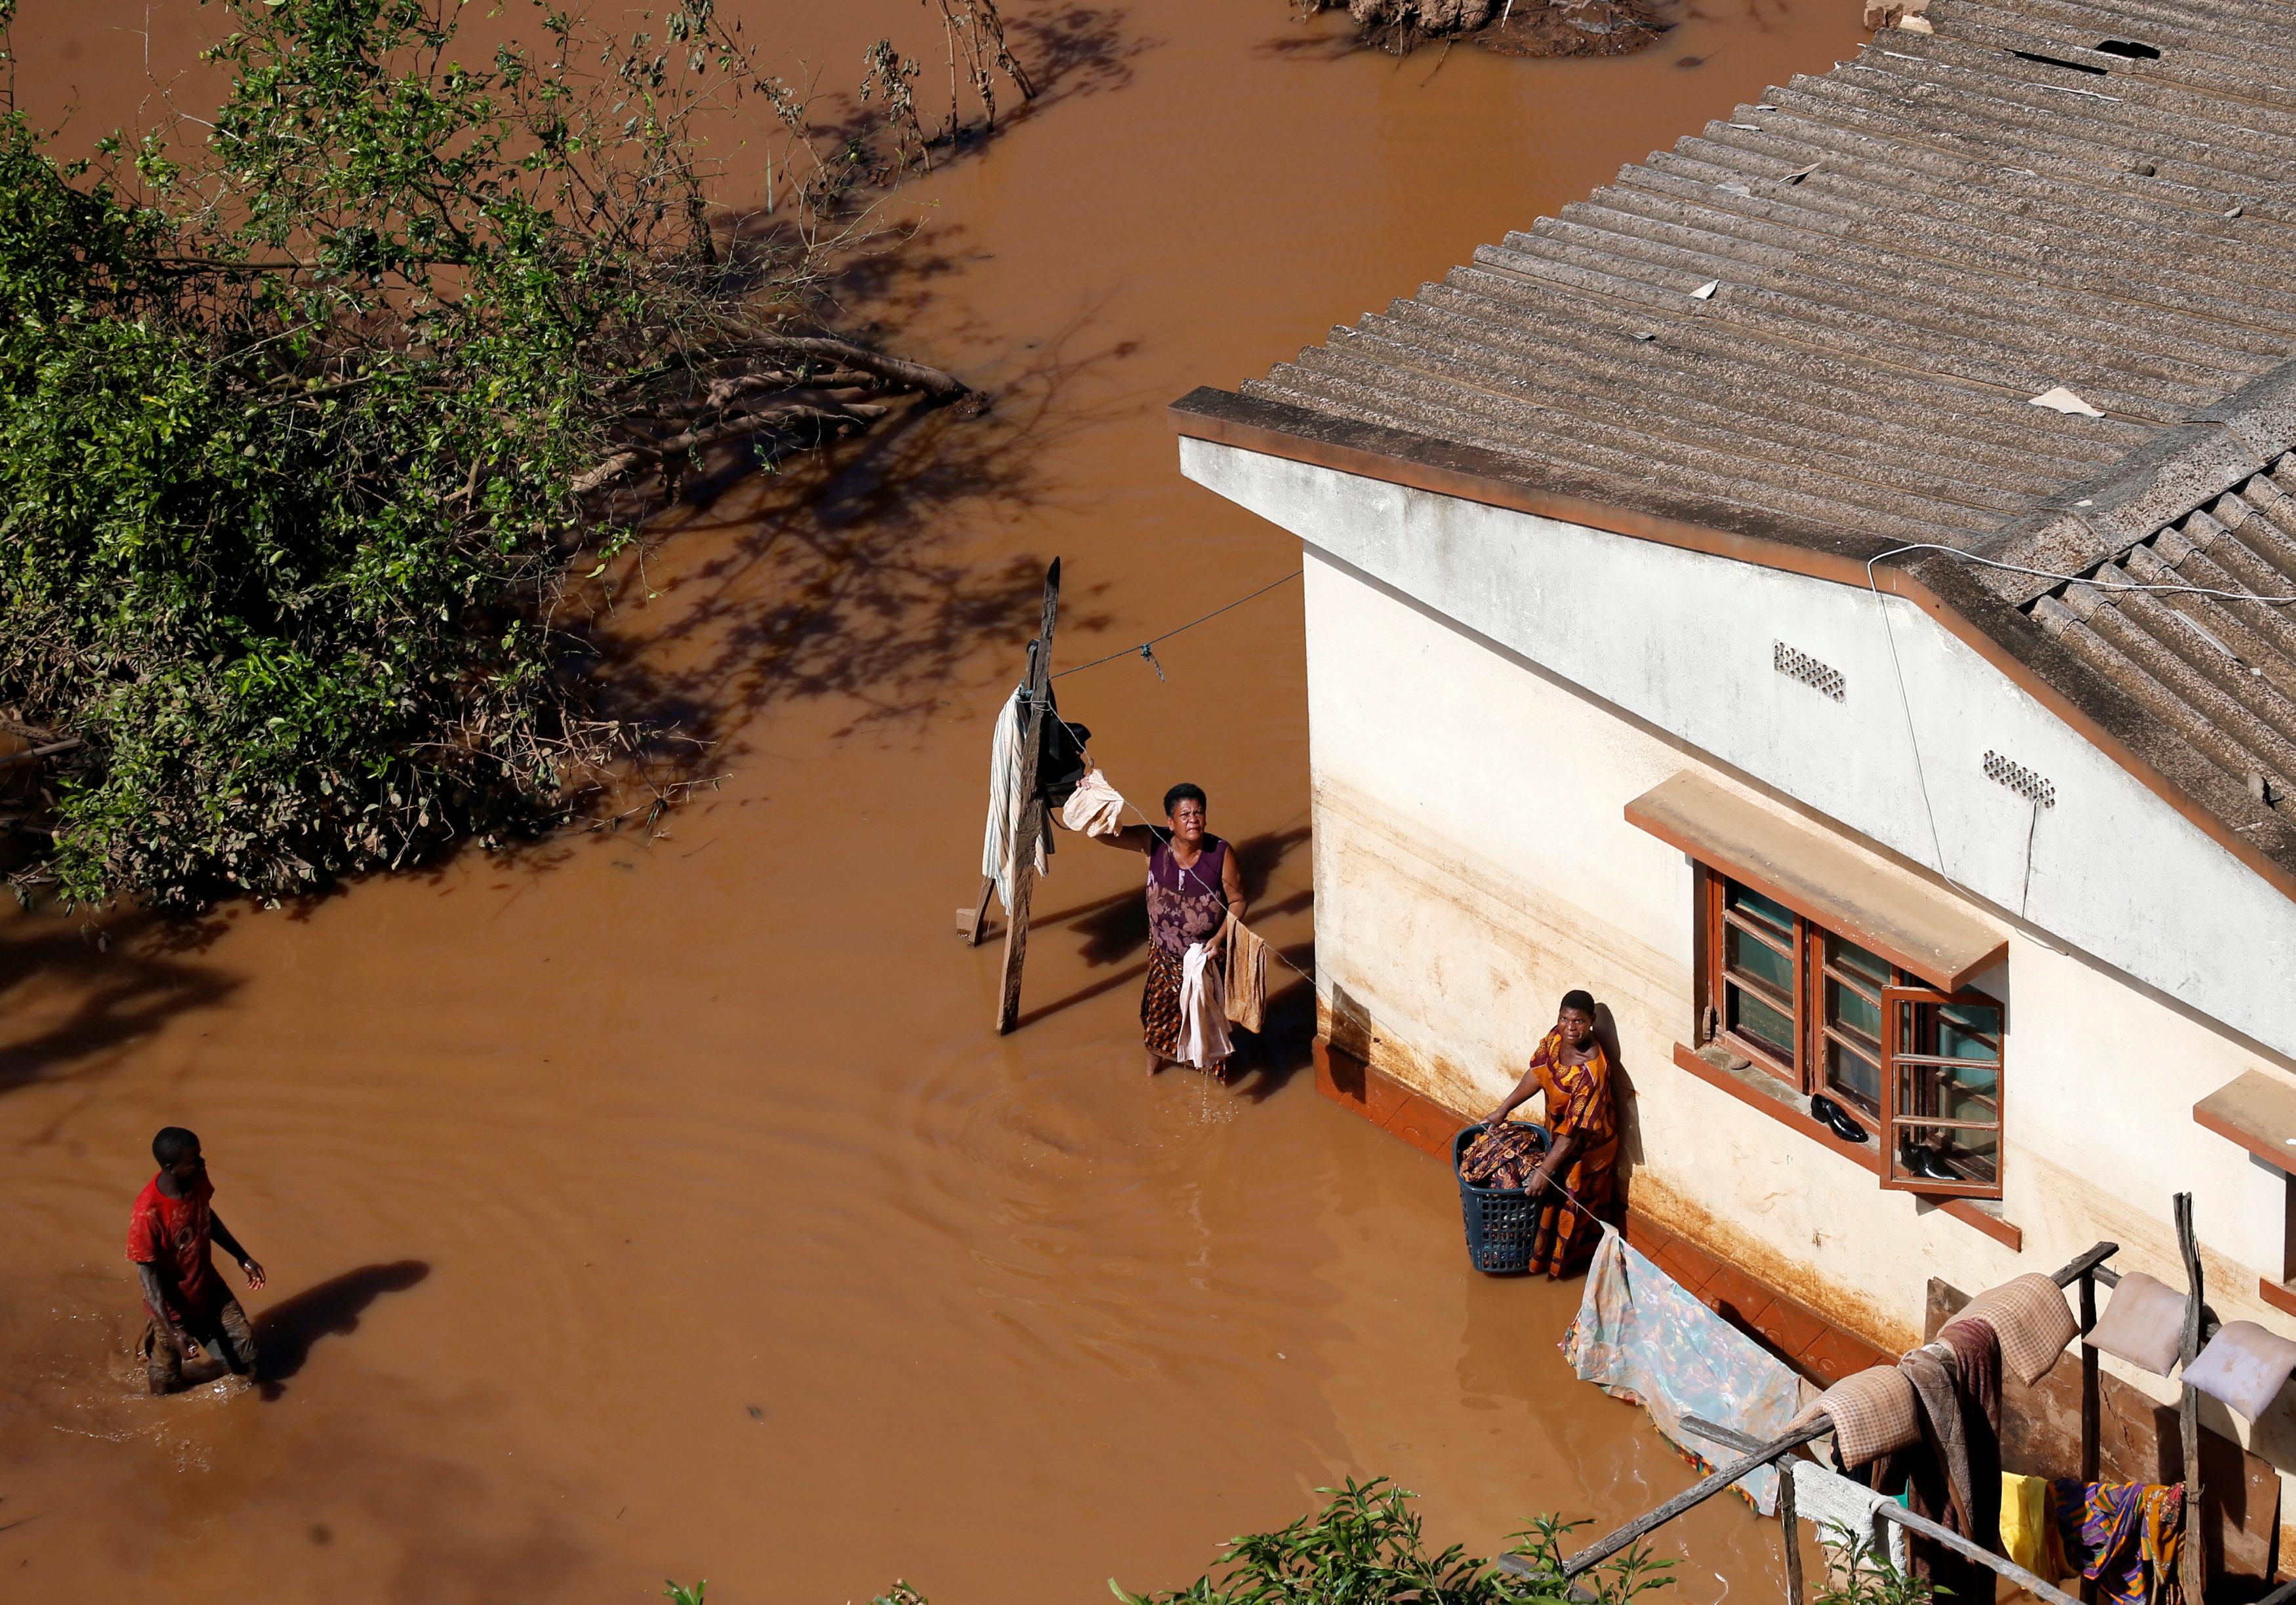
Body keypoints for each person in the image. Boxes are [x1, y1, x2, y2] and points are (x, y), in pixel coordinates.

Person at [1095, 782, 1246, 1076]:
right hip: (1164, 955)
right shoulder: (1153, 842)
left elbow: (1238, 901)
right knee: (1157, 1022)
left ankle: (1213, 1082)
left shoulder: (1221, 853)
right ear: (1171, 822)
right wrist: (1091, 796)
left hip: (1207, 958)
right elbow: (1104, 835)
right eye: (1185, 814)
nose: (1193, 820)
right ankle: (1152, 1078)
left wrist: (1217, 940)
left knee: (1208, 1028)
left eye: (1198, 813)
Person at [1468, 990, 1618, 1278]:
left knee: (1572, 1207)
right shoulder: (1556, 1038)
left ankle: (1569, 1269)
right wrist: (1503, 1111)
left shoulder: (1592, 1074)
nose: (1569, 1028)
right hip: (1558, 1134)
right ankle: (1537, 1257)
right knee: (1544, 1194)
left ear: (1591, 1023)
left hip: (1587, 1149)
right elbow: (1538, 1074)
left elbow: (1573, 1133)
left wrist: (1546, 1170)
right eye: (1564, 1019)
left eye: (1578, 1021)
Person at [127, 1126, 266, 1392]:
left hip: (208, 1286)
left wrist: (242, 1257)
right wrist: (171, 1330)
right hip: (172, 1307)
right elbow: (149, 1278)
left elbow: (206, 1216)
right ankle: (156, 1339)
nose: (202, 1162)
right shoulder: (147, 1215)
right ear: (171, 1168)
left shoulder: (197, 1178)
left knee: (246, 1355)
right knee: (164, 1388)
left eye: (200, 1155)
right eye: (194, 1159)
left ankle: (202, 1367)